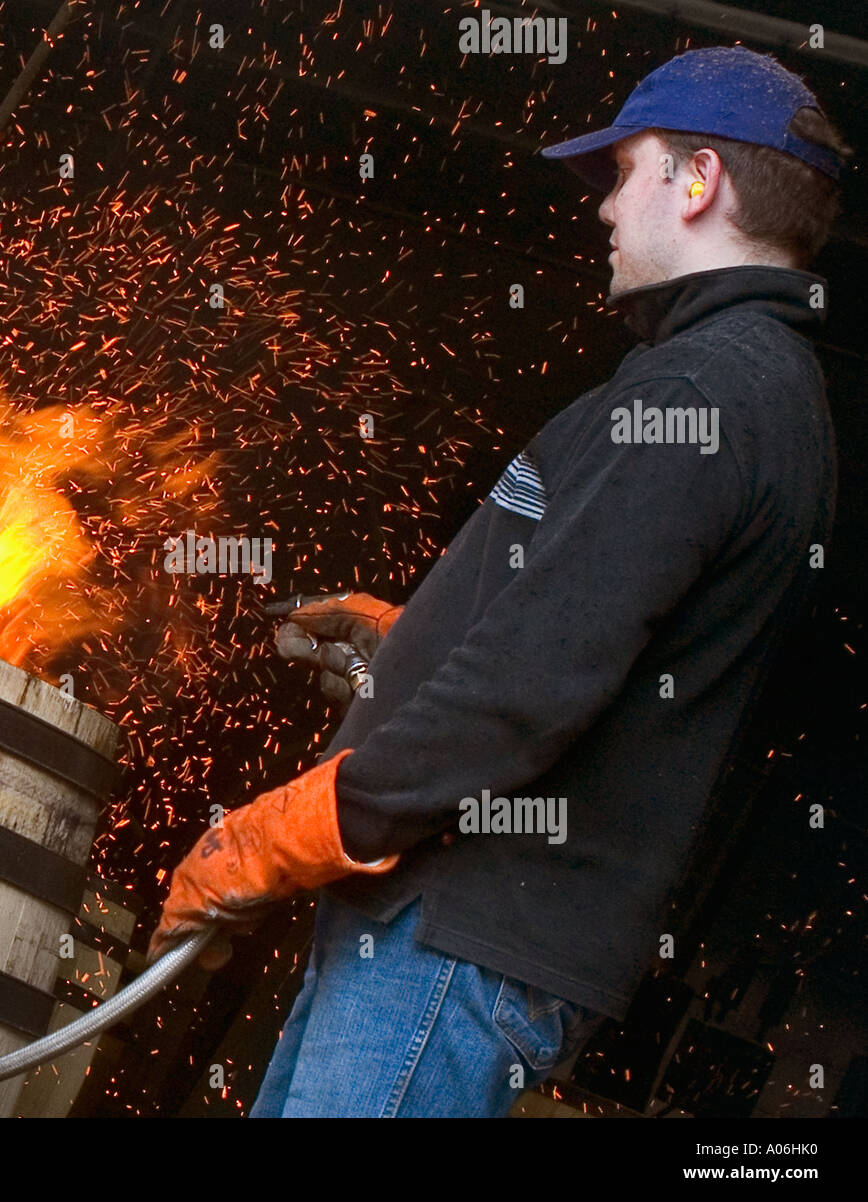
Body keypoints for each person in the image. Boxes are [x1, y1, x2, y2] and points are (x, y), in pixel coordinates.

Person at [145, 45, 850, 1117]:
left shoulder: (706, 390)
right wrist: (412, 641)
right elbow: (583, 633)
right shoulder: (746, 389)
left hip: (455, 943)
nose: (606, 211)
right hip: (442, 940)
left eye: (624, 173)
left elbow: (524, 693)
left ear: (697, 181)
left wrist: (274, 836)